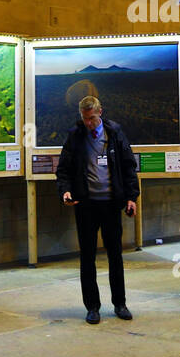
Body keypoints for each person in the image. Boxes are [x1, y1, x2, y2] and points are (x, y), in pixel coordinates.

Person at [56, 95, 139, 324]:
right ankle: (92, 307)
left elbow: (128, 166)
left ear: (100, 112)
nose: (88, 123)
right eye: (84, 119)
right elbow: (63, 169)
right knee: (87, 257)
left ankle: (120, 303)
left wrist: (132, 197)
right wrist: (65, 190)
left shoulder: (115, 134)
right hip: (86, 205)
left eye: (91, 118)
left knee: (115, 255)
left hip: (111, 204)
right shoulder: (75, 136)